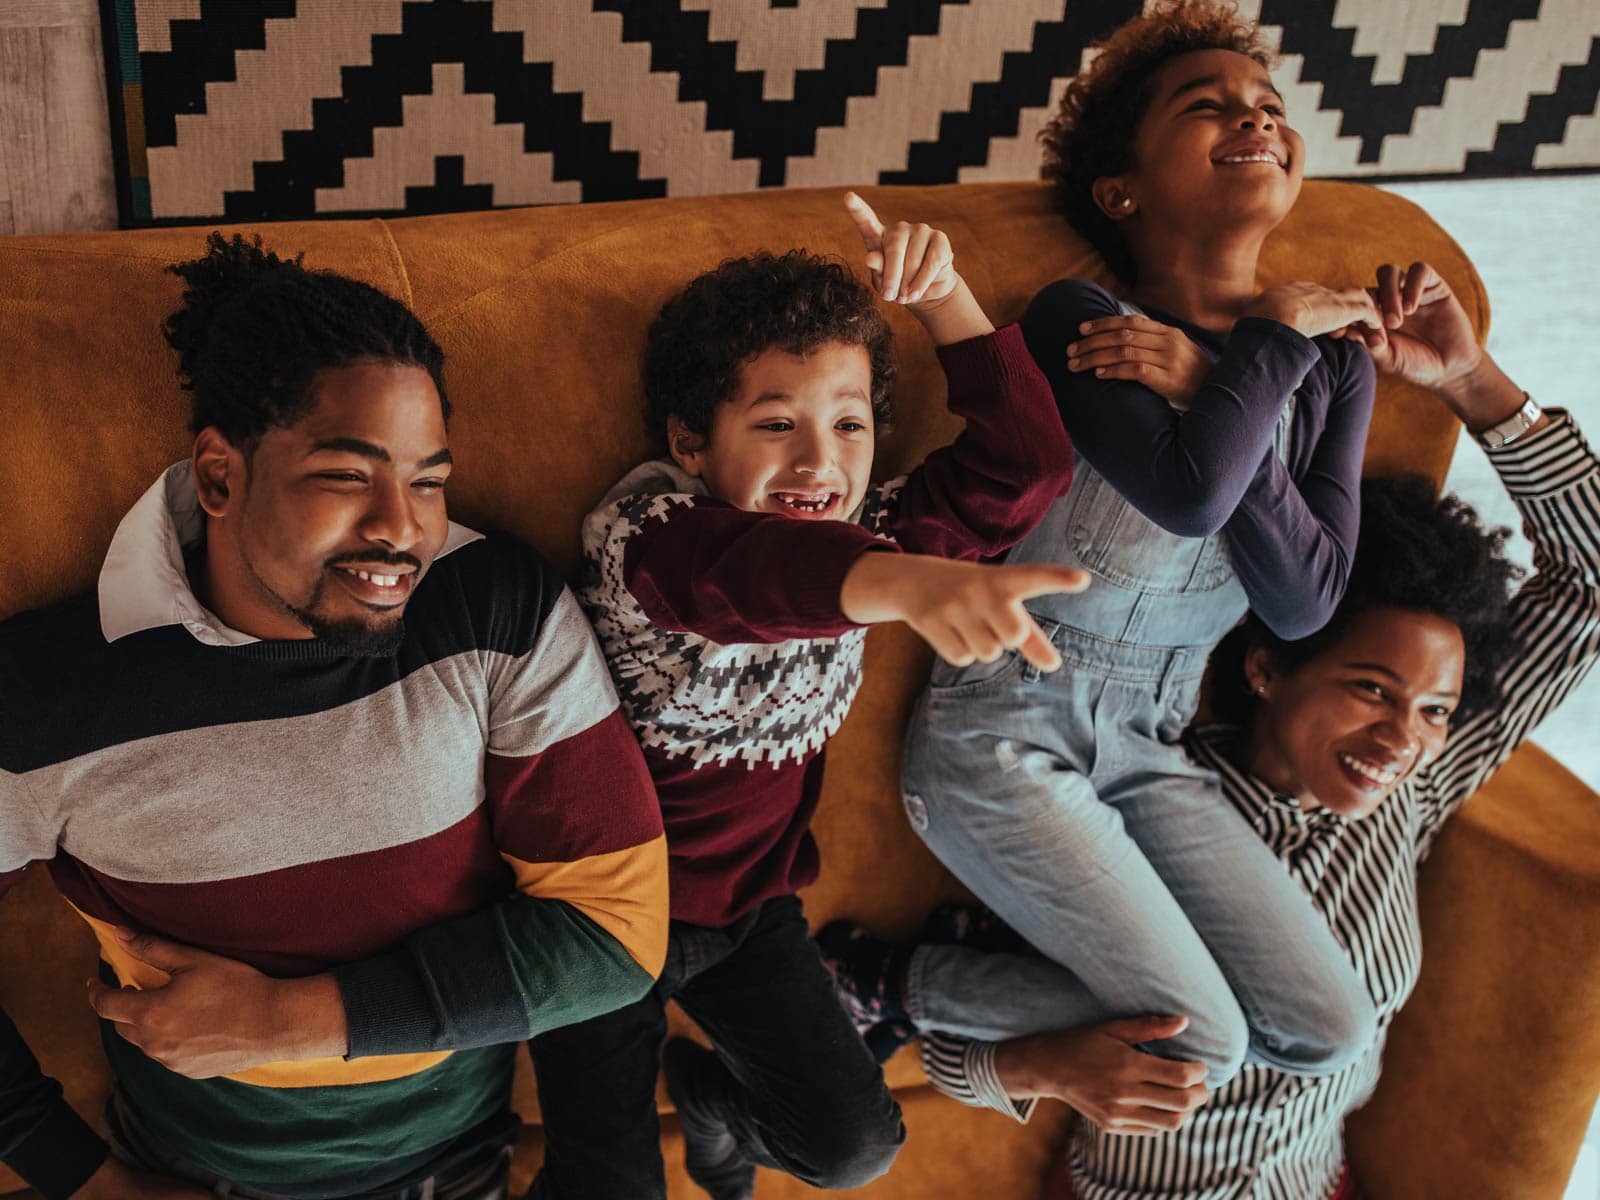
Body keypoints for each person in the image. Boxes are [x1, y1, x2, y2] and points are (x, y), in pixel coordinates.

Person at [826, 259, 1600, 1200]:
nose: (1404, 735)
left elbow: (1589, 586)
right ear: (1268, 669)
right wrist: (1039, 1062)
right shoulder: (1124, 804)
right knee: (1209, 1029)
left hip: (1321, 1187)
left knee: (1333, 1030)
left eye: (1434, 710)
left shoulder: (1425, 786)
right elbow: (951, 1056)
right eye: (1369, 688)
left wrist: (1473, 383)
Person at [0, 234, 669, 1200]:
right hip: (189, 1168)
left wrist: (288, 1020)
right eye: (348, 476)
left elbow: (613, 940)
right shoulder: (46, 695)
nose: (403, 528)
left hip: (458, 1160)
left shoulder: (494, 610)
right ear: (221, 478)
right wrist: (81, 1179)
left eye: (428, 480)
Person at [526, 195, 1081, 1200]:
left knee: (853, 1149)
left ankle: (712, 1105)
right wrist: (906, 581)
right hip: (596, 918)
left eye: (849, 425)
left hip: (748, 909)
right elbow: (753, 576)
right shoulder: (648, 530)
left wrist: (945, 298)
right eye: (775, 424)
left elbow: (1026, 464)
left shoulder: (870, 522)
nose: (818, 462)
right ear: (692, 439)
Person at [882, 0, 1389, 1092]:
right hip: (1004, 724)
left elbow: (1306, 605)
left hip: (1154, 740)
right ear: (1123, 191)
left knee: (1325, 1029)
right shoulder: (1076, 324)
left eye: (1265, 104)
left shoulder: (1334, 367)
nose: (1253, 117)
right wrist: (1267, 339)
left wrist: (1225, 376)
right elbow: (1191, 492)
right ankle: (888, 985)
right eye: (1206, 108)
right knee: (1205, 1042)